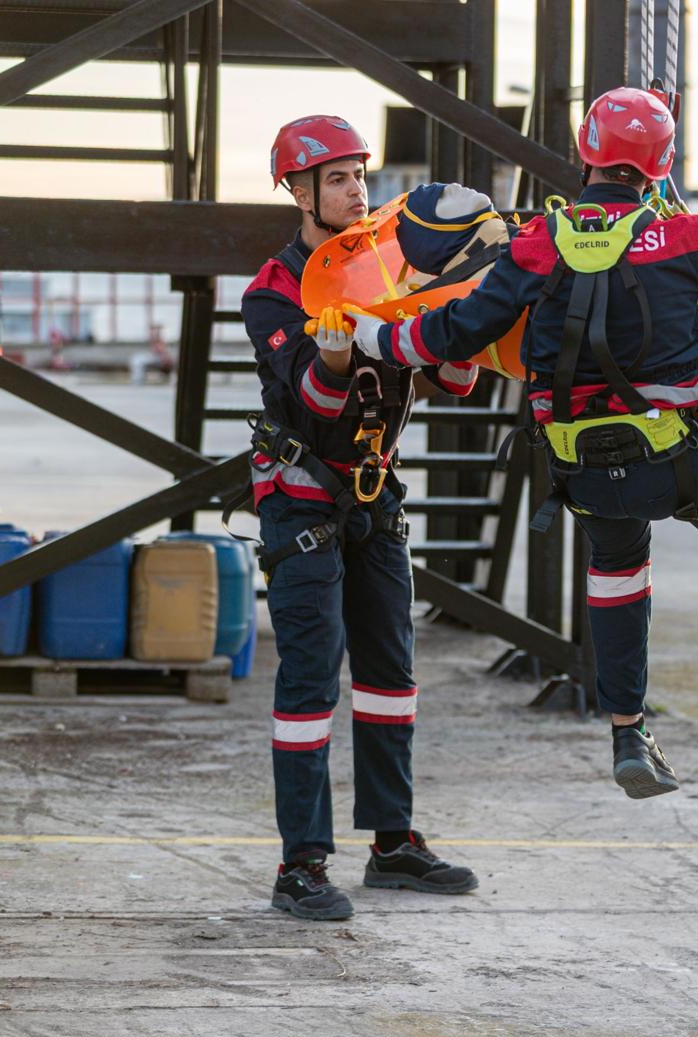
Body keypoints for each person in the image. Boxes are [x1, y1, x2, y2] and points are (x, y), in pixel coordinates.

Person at [341, 86, 698, 801]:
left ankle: (629, 731)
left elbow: (456, 331)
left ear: (585, 154)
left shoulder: (535, 245)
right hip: (680, 465)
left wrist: (375, 337)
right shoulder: (682, 239)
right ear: (660, 165)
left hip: (581, 469)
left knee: (618, 561)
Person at [241, 115, 482, 920]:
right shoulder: (273, 291)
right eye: (338, 178)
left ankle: (393, 843)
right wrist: (340, 350)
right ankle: (301, 865)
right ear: (299, 193)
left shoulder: (396, 267)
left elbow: (453, 383)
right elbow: (316, 400)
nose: (357, 191)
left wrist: (461, 326)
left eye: (359, 175)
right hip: (302, 495)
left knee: (390, 676)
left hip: (375, 493)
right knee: (311, 677)